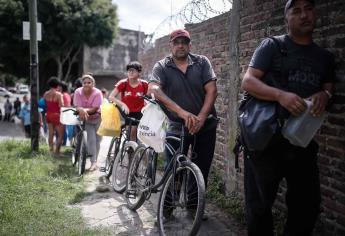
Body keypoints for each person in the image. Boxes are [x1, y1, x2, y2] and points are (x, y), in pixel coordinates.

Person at [241, 1, 335, 235]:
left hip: (301, 141)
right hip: (266, 139)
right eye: (296, 10)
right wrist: (280, 95)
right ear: (287, 18)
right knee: (260, 207)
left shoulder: (325, 57)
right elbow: (248, 81)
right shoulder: (273, 45)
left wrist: (325, 95)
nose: (304, 15)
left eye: (309, 8)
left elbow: (329, 90)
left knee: (308, 207)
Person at [148, 29, 218, 219]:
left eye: (184, 42)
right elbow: (153, 88)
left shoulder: (202, 62)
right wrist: (181, 112)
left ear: (189, 45)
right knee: (174, 167)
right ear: (170, 45)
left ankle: (193, 207)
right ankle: (168, 206)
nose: (180, 45)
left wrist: (201, 117)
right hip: (177, 126)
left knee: (201, 169)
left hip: (205, 125)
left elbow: (212, 90)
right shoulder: (162, 66)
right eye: (176, 42)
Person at [109, 61, 148, 140]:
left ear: (139, 72)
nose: (130, 72)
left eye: (133, 70)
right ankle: (128, 148)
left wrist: (147, 105)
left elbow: (149, 97)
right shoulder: (123, 83)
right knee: (131, 133)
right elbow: (111, 97)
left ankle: (135, 148)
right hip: (127, 111)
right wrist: (123, 105)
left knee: (139, 134)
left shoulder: (144, 84)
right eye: (129, 70)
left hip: (140, 112)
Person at [73, 74, 103, 171]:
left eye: (89, 82)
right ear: (82, 84)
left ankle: (95, 161)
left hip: (98, 118)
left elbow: (95, 108)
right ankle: (93, 162)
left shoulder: (98, 93)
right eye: (84, 83)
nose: (86, 84)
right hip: (87, 120)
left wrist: (84, 110)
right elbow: (77, 106)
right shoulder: (78, 92)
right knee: (91, 140)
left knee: (98, 141)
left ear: (93, 84)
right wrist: (81, 110)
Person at [43, 77, 64, 155]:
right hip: (57, 115)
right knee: (60, 135)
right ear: (57, 85)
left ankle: (51, 150)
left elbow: (44, 104)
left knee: (50, 133)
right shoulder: (59, 94)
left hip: (48, 114)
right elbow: (62, 106)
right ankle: (57, 152)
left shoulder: (46, 93)